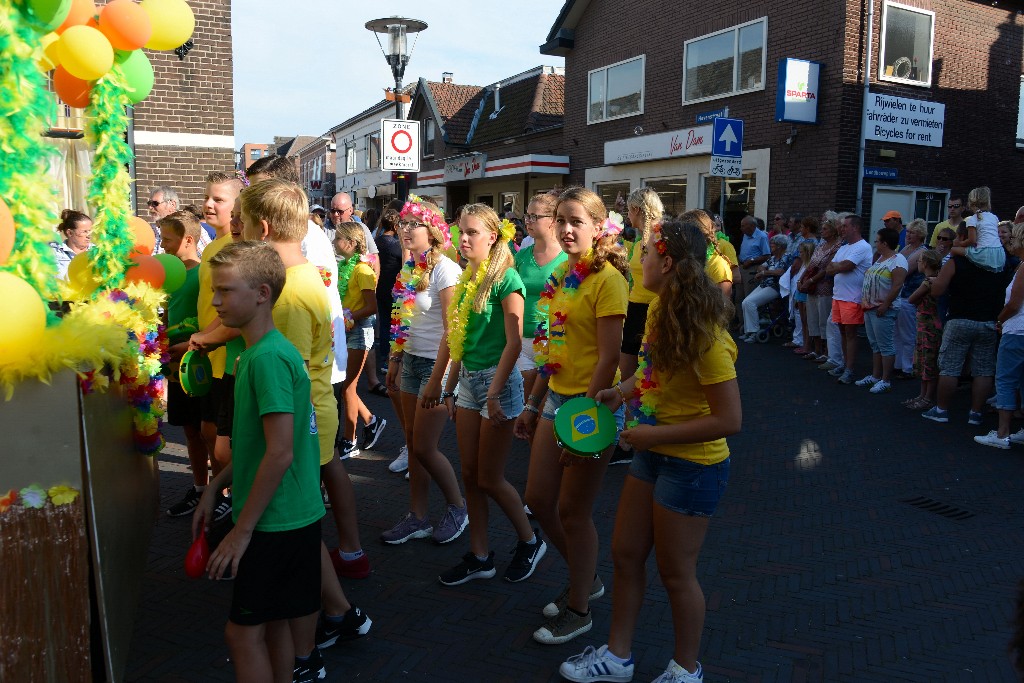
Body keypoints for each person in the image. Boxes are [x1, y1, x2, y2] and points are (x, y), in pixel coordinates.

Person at [558, 220, 741, 683]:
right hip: (653, 451)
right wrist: (621, 392)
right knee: (624, 553)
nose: (638, 260)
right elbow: (651, 374)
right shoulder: (660, 310)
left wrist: (649, 437)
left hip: (694, 466)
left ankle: (686, 669)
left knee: (676, 572)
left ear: (669, 263)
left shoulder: (707, 337)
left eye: (645, 254)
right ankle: (617, 657)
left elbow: (729, 420)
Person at [238, 180, 372, 651]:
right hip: (312, 414)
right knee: (303, 531)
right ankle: (341, 611)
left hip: (301, 420)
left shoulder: (290, 293)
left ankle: (330, 617)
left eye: (245, 224)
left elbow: (284, 375)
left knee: (296, 531)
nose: (239, 232)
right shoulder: (302, 276)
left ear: (265, 226)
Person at [193, 240, 326, 683]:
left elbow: (281, 451)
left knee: (242, 635)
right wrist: (215, 486)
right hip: (292, 514)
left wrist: (240, 531)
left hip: (274, 522)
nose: (215, 301)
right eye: (215, 290)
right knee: (274, 626)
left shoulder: (267, 358)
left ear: (262, 293)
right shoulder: (265, 351)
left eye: (226, 291)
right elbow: (261, 446)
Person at [513, 186, 629, 646]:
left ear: (599, 228)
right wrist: (532, 402)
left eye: (576, 221)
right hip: (556, 399)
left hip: (589, 408)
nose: (565, 228)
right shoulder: (565, 274)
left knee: (573, 512)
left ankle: (580, 606)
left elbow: (608, 358)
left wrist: (582, 420)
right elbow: (552, 349)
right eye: (560, 219)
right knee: (539, 500)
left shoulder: (608, 280)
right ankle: (586, 577)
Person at [436, 205, 546, 586]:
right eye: (460, 233)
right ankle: (480, 554)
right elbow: (459, 340)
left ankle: (530, 540)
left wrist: (496, 393)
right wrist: (449, 387)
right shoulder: (468, 276)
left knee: (491, 477)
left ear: (493, 236)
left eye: (471, 233)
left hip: (499, 386)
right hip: (469, 382)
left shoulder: (507, 277)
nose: (463, 239)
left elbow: (514, 344)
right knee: (470, 474)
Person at [382, 196, 469, 546]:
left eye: (413, 224)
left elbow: (454, 329)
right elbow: (402, 320)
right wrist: (395, 358)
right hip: (411, 361)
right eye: (402, 223)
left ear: (432, 230)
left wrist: (440, 380)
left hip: (437, 365)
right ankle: (417, 516)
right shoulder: (410, 267)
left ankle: (457, 507)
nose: (405, 229)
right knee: (412, 444)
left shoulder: (446, 269)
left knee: (424, 447)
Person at [189, 171, 244, 521]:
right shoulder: (210, 244)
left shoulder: (240, 249)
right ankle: (222, 495)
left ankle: (234, 500)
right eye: (208, 197)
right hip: (209, 357)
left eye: (219, 200)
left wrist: (206, 339)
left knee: (224, 443)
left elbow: (234, 310)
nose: (209, 204)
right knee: (210, 434)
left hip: (227, 356)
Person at [920, 228, 1005, 425]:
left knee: (950, 367)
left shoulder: (956, 261)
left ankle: (941, 410)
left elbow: (937, 291)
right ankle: (975, 413)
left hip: (959, 319)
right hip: (987, 321)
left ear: (964, 239)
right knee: (983, 370)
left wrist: (934, 281)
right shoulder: (997, 263)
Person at [159, 211, 208, 517]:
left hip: (198, 363)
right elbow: (167, 312)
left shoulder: (203, 274)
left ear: (188, 240)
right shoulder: (167, 273)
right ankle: (200, 488)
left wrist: (189, 345)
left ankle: (221, 492)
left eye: (167, 239)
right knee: (189, 430)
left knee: (208, 430)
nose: (162, 245)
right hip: (175, 365)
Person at [614, 188, 664, 466]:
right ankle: (630, 433)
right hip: (635, 309)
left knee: (648, 373)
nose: (626, 215)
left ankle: (643, 433)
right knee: (628, 372)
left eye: (629, 210)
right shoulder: (638, 240)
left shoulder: (659, 236)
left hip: (652, 310)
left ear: (638, 210)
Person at [332, 222, 385, 459]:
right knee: (346, 386)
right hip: (347, 330)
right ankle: (371, 421)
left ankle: (349, 440)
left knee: (348, 387)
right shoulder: (344, 266)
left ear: (352, 243)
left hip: (359, 331)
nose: (334, 242)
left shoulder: (362, 270)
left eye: (338, 239)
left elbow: (372, 307)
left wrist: (348, 316)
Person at [514, 191, 568, 412]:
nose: (528, 221)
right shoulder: (521, 255)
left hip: (553, 340)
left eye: (535, 216)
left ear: (553, 221)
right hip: (521, 339)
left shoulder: (567, 257)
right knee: (527, 400)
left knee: (545, 405)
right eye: (527, 216)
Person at [975, 223, 1024, 448]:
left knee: (1005, 379)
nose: (1009, 241)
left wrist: (1000, 319)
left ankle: (1002, 432)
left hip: (1016, 331)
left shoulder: (1023, 267)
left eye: (1013, 238)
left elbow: (1014, 304)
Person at [853, 227, 908, 393]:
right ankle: (875, 376)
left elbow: (898, 284)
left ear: (885, 243)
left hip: (883, 309)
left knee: (885, 345)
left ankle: (886, 380)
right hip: (870, 308)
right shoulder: (880, 259)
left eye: (877, 241)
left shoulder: (898, 260)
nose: (875, 243)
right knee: (875, 344)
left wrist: (885, 304)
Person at [826, 214, 873, 384]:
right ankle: (845, 364)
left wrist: (839, 267)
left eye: (845, 226)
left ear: (855, 227)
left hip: (852, 298)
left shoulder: (863, 247)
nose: (841, 229)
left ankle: (850, 369)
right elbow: (829, 267)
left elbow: (847, 266)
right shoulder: (844, 247)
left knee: (851, 334)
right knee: (842, 333)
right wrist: (839, 267)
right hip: (839, 296)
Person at [367, 209, 403, 404]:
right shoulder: (396, 245)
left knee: (383, 324)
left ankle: (382, 357)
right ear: (396, 226)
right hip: (392, 289)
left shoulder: (377, 241)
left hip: (379, 287)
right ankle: (387, 359)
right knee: (392, 324)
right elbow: (405, 264)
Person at [799, 212, 843, 364]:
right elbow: (811, 264)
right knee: (813, 319)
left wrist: (810, 280)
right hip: (812, 288)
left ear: (832, 230)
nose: (822, 231)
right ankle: (816, 349)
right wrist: (801, 279)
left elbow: (826, 269)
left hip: (824, 287)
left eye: (825, 229)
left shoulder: (837, 246)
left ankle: (826, 351)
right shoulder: (821, 246)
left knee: (824, 319)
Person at [903, 249, 943, 410]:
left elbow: (912, 298)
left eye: (920, 260)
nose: (918, 263)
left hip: (930, 326)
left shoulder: (928, 282)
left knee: (929, 362)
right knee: (923, 359)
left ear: (925, 263)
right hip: (924, 324)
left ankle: (927, 397)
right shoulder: (934, 279)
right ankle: (922, 395)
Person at [738, 234, 792, 343]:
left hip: (776, 286)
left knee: (750, 303)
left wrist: (764, 272)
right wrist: (762, 269)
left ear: (779, 246)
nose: (770, 247)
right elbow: (761, 266)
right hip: (765, 284)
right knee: (745, 302)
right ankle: (749, 330)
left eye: (772, 245)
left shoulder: (787, 256)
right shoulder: (772, 258)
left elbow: (780, 271)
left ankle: (753, 332)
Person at [893, 219, 928, 379]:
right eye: (907, 232)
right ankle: (898, 364)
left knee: (908, 333)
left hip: (910, 296)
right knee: (897, 333)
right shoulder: (906, 248)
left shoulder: (921, 251)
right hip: (900, 295)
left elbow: (903, 270)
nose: (908, 235)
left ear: (920, 235)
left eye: (912, 232)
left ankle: (908, 367)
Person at [950, 186, 1004, 273]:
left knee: (953, 250)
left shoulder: (973, 219)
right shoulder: (994, 217)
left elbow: (972, 240)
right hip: (999, 254)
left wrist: (959, 243)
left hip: (984, 253)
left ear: (970, 202)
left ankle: (951, 270)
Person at [737, 215, 771, 330]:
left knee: (748, 297)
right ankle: (742, 323)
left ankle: (750, 327)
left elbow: (767, 255)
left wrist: (751, 261)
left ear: (752, 226)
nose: (741, 228)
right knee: (739, 297)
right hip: (742, 267)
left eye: (743, 226)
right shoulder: (745, 235)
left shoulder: (761, 237)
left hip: (752, 269)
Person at [51, 209, 92, 280]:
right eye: (84, 231)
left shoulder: (97, 252)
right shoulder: (55, 253)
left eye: (90, 231)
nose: (89, 235)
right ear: (69, 233)